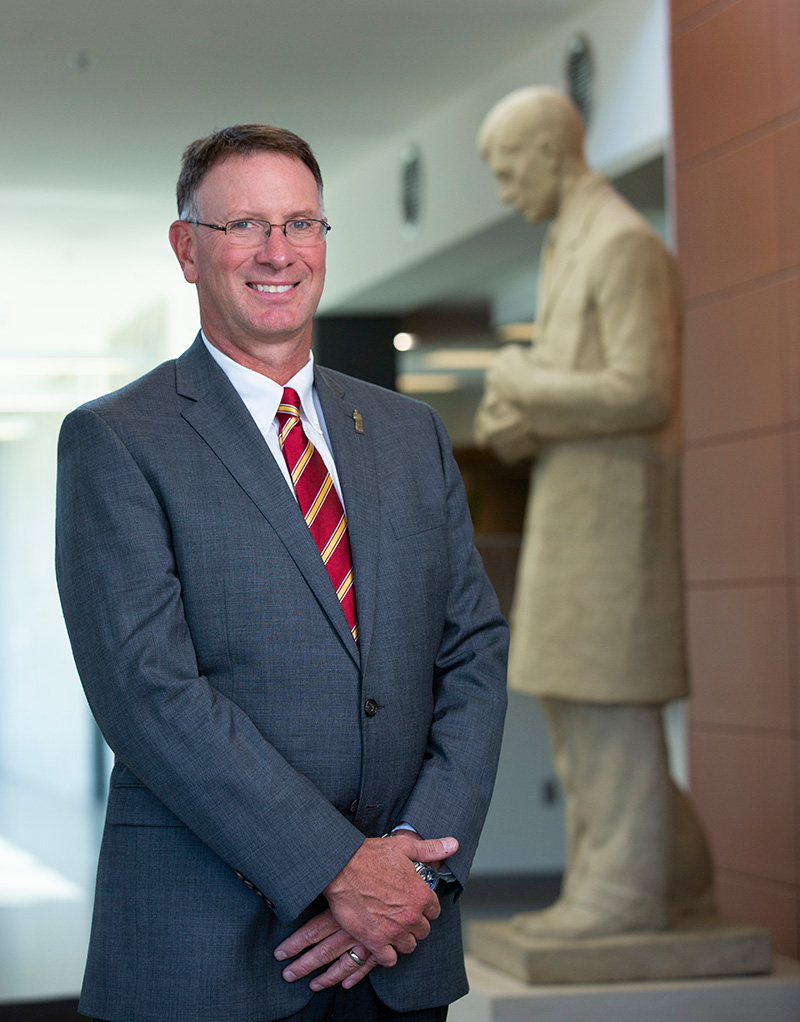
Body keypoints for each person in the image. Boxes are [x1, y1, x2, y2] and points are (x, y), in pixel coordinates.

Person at [56, 123, 508, 1021]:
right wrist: (339, 871)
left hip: (398, 946)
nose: (278, 252)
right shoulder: (117, 439)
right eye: (245, 227)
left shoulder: (411, 436)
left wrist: (411, 863)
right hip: (208, 954)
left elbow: (474, 656)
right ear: (188, 249)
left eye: (302, 224)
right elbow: (149, 695)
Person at [474, 87, 713, 939]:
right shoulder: (568, 244)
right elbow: (580, 387)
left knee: (607, 702)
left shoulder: (622, 243)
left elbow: (642, 389)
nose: (505, 190)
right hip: (574, 508)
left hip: (615, 520)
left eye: (508, 170)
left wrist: (530, 387)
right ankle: (674, 875)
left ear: (549, 153)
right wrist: (520, 415)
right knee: (575, 702)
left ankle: (624, 893)